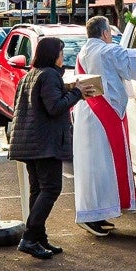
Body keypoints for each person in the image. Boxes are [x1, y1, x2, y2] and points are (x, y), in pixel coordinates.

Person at [8, 37, 96, 259]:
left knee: (38, 190)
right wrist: (77, 93)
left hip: (30, 142)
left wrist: (69, 89)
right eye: (60, 53)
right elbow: (55, 107)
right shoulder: (48, 75)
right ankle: (29, 238)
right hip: (44, 143)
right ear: (52, 54)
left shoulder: (32, 75)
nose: (62, 57)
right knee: (51, 189)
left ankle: (38, 237)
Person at [72, 16, 136, 236]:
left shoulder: (84, 51)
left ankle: (97, 213)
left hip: (90, 111)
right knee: (102, 166)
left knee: (95, 167)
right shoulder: (107, 51)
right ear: (105, 33)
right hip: (103, 113)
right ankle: (92, 215)